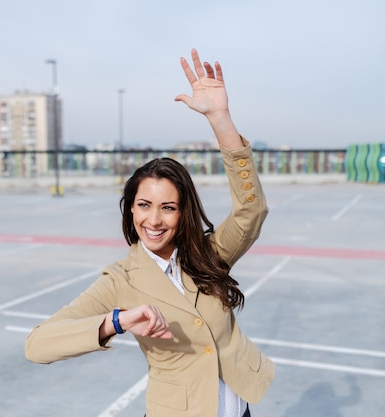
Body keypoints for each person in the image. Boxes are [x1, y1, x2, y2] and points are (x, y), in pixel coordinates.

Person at [25, 48, 275, 417]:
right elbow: (37, 345)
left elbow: (251, 211)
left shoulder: (209, 254)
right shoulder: (120, 280)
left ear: (183, 212)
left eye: (168, 207)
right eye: (144, 205)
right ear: (130, 208)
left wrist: (220, 119)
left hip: (238, 410)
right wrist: (116, 322)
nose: (154, 220)